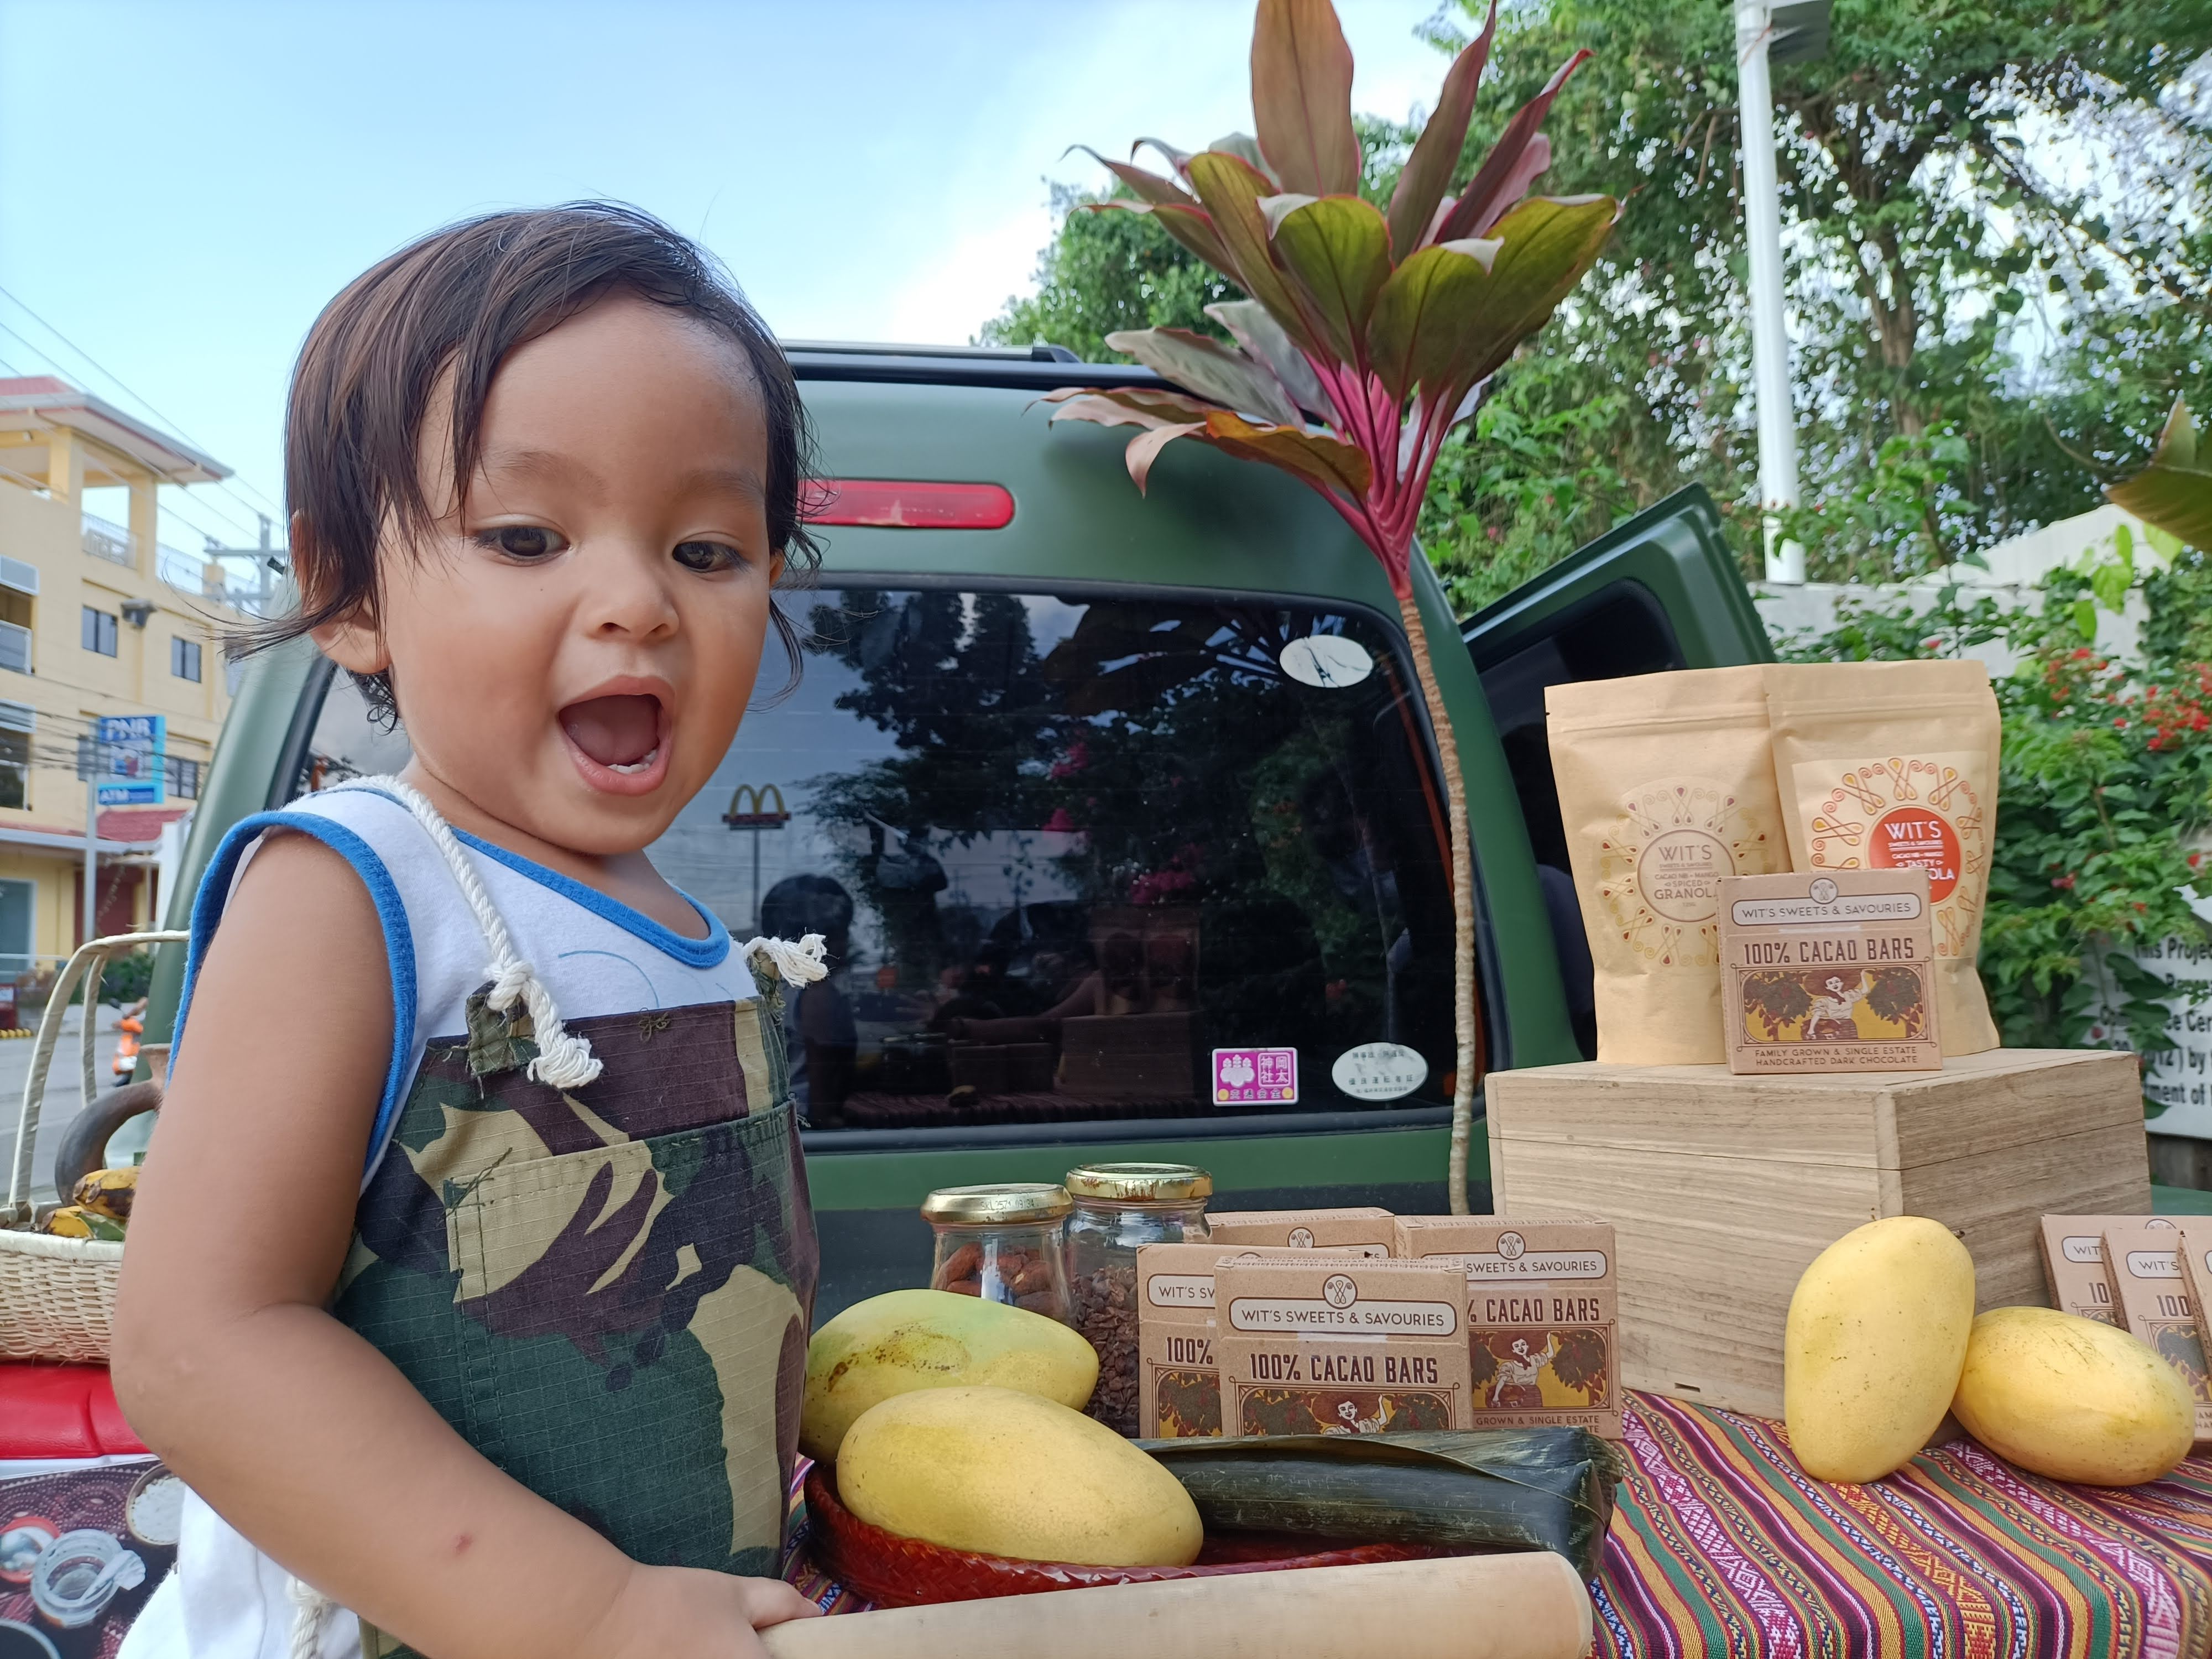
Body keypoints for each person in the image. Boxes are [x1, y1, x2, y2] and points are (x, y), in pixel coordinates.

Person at [111, 206, 826, 1659]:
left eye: (707, 548)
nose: (637, 603)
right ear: (349, 590)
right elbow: (199, 1345)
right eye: (525, 537)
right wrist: (592, 1611)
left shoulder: (691, 930)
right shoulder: (354, 886)